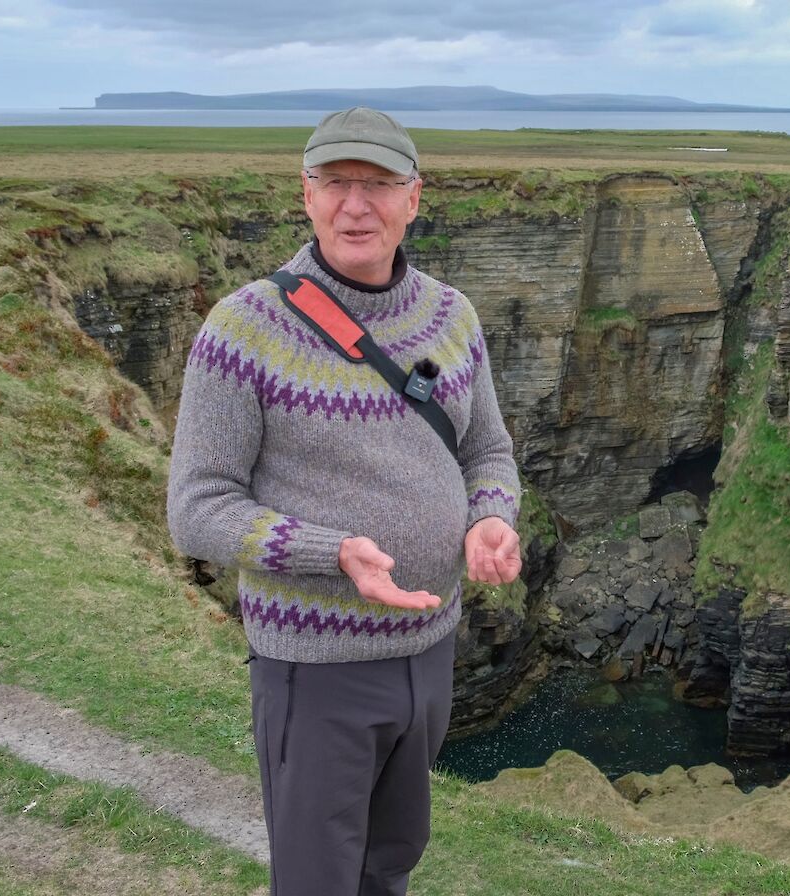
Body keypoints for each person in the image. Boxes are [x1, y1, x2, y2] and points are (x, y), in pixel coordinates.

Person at [167, 106, 523, 896]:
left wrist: (491, 514)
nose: (354, 205)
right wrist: (333, 554)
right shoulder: (243, 329)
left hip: (431, 650)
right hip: (316, 666)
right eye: (335, 183)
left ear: (414, 199)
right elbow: (197, 506)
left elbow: (486, 450)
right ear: (306, 194)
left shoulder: (451, 316)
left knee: (391, 860)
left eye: (377, 184)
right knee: (318, 879)